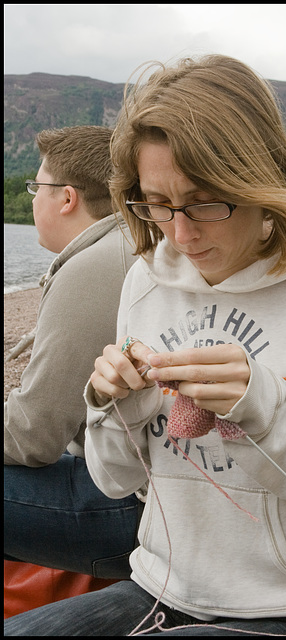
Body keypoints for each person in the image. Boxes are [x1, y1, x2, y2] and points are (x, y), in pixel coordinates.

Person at [5, 55, 286, 636]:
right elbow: (115, 482)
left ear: (259, 181)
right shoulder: (145, 278)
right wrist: (117, 407)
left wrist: (265, 406)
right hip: (157, 587)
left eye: (206, 201)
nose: (180, 234)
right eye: (157, 203)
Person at [4, 126, 140, 579]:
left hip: (129, 514)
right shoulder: (125, 244)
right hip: (144, 493)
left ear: (66, 198)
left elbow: (32, 438)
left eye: (35, 187)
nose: (31, 199)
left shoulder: (93, 267)